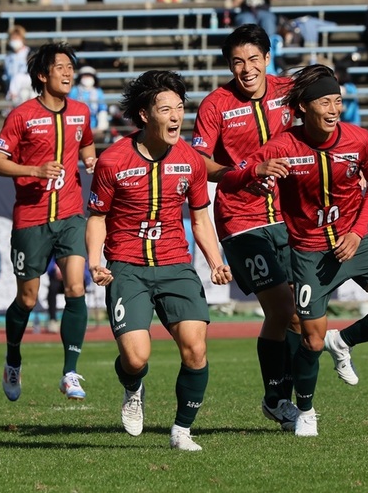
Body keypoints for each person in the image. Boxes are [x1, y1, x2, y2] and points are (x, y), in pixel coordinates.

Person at [218, 63, 368, 437]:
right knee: (309, 338)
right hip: (309, 253)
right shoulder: (282, 145)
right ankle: (306, 411)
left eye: (337, 101)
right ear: (304, 107)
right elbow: (231, 177)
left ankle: (342, 342)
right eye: (324, 101)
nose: (332, 109)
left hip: (355, 243)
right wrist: (257, 171)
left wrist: (358, 232)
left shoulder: (359, 139)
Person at [86, 69, 232, 451]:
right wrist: (94, 261)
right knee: (135, 358)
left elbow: (200, 218)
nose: (175, 116)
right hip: (127, 267)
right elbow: (98, 218)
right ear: (145, 114)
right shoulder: (112, 161)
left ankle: (182, 430)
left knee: (196, 349)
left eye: (180, 108)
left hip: (175, 265)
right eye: (165, 108)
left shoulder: (193, 160)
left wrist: (215, 261)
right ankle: (133, 387)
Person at [191, 25, 301, 432]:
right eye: (237, 61)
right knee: (283, 309)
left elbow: (323, 130)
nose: (247, 68)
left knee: (301, 317)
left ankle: (284, 397)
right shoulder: (215, 105)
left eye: (254, 59)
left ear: (268, 59)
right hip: (241, 219)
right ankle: (278, 398)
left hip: (291, 215)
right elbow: (201, 162)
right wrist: (248, 171)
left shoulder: (291, 90)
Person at [0, 43, 97, 402]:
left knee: (76, 287)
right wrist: (34, 169)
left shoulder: (81, 112)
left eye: (70, 67)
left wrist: (92, 161)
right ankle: (13, 359)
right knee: (28, 297)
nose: (68, 73)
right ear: (42, 75)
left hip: (69, 214)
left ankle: (70, 372)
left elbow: (86, 146)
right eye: (60, 67)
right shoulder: (21, 116)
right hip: (31, 217)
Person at [69, 65, 109, 143]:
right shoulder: (74, 91)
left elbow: (102, 110)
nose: (87, 78)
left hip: (94, 128)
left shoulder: (98, 91)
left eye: (89, 76)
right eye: (85, 76)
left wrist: (100, 127)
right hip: (77, 126)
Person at [4, 25, 36, 107]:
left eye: (17, 38)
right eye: (13, 38)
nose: (15, 41)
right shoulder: (8, 58)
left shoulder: (30, 53)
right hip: (15, 89)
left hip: (29, 84)